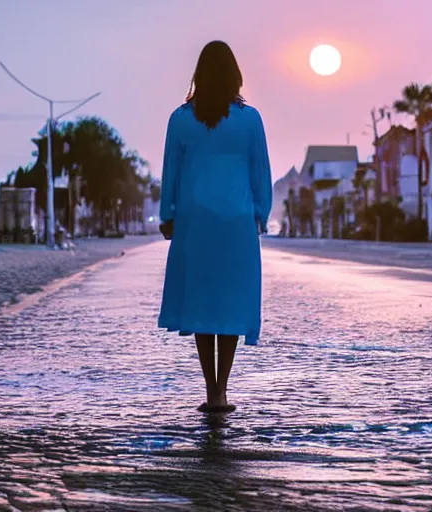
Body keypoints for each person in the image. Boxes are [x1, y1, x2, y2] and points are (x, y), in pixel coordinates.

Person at [158, 40, 273, 413]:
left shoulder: (180, 119)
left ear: (200, 74)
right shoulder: (250, 119)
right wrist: (261, 211)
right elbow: (260, 171)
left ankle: (211, 389)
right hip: (237, 224)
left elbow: (170, 172)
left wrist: (168, 214)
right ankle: (223, 388)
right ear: (234, 75)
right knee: (231, 304)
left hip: (195, 222)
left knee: (203, 304)